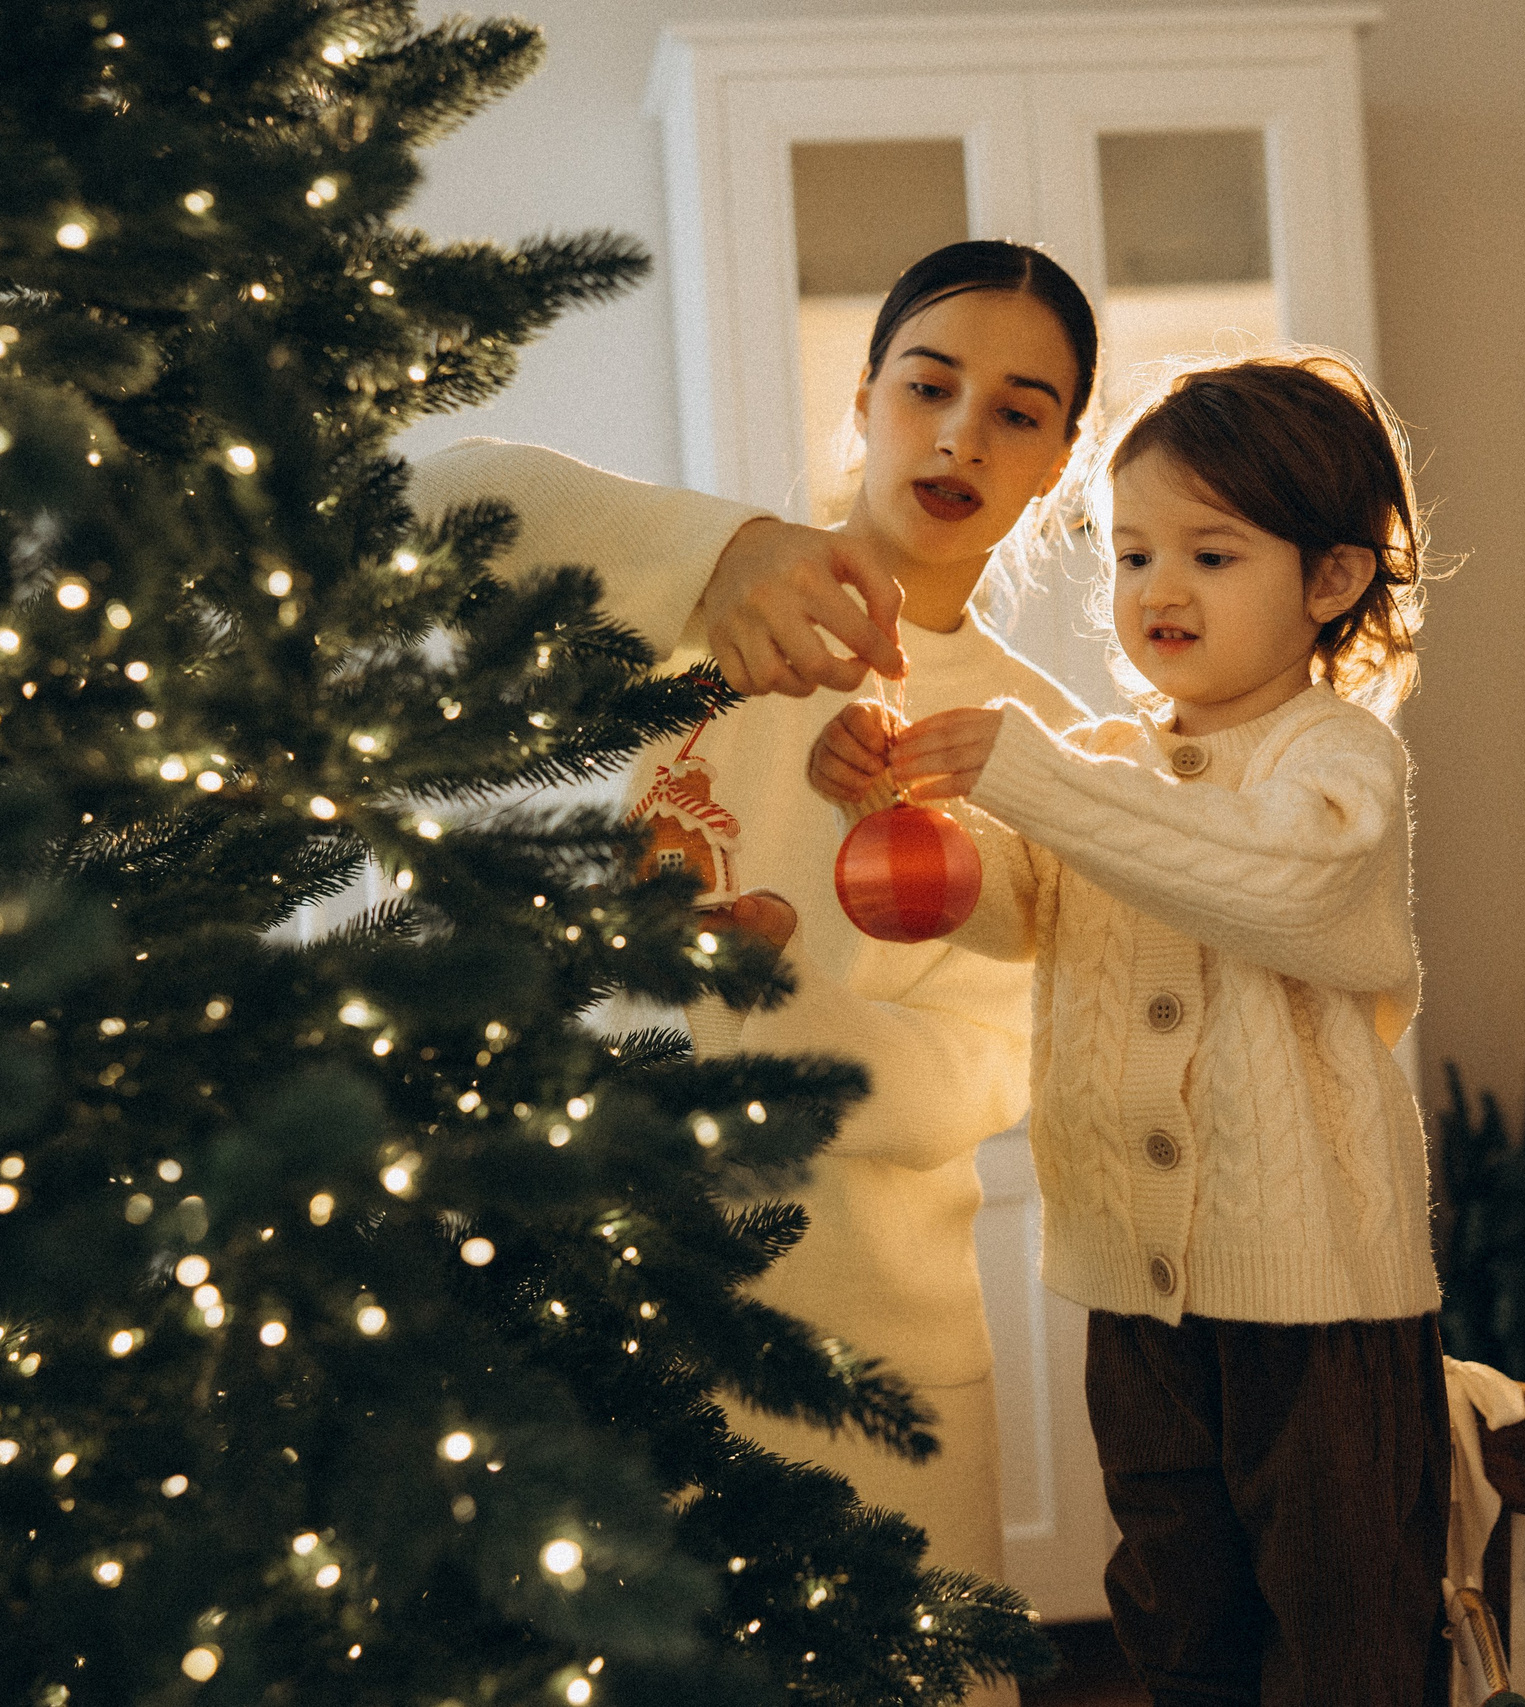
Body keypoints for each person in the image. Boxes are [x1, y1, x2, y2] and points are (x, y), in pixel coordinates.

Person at [411, 241, 1105, 1704]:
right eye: (929, 385)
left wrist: (765, 1005)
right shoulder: (695, 605)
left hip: (873, 1348)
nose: (962, 435)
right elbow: (428, 498)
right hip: (604, 1301)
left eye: (1019, 412)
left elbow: (990, 1067)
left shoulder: (1040, 746)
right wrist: (717, 553)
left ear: (1059, 463)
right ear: (863, 399)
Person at [810, 352, 1447, 1706]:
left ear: (1331, 581)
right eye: (1133, 553)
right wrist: (901, 817)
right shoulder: (1106, 767)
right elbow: (1018, 905)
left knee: (1341, 1627)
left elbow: (1280, 887)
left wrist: (1033, 773)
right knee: (1175, 1607)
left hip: (1319, 1300)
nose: (1159, 588)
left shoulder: (1340, 760)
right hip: (1135, 1288)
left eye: (1212, 555)